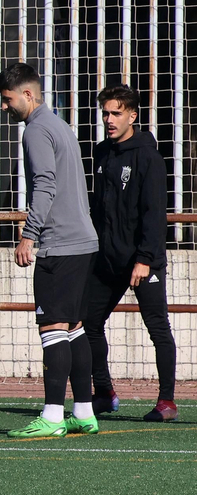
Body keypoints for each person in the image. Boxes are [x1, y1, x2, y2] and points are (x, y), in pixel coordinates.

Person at [0, 63, 101, 438]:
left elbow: (45, 184)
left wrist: (29, 234)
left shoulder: (36, 130)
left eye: (7, 100)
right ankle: (84, 413)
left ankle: (53, 416)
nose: (4, 108)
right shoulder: (59, 125)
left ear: (28, 95)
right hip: (84, 242)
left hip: (60, 244)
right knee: (75, 329)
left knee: (53, 327)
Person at [83, 84, 179, 423]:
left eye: (116, 113)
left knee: (158, 328)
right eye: (105, 113)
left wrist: (145, 258)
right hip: (106, 258)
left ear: (132, 115)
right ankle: (105, 393)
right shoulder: (101, 153)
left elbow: (154, 213)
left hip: (142, 260)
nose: (109, 120)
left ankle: (167, 401)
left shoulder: (148, 156)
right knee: (87, 322)